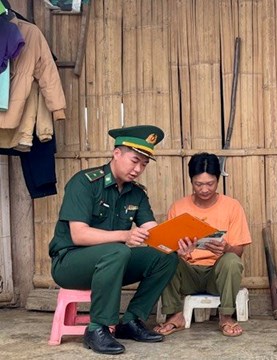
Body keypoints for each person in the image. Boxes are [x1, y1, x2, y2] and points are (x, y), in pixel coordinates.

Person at [49, 125, 191, 355]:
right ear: (117, 153)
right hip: (69, 263)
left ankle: (131, 321)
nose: (138, 169)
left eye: (143, 165)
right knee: (118, 250)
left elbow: (153, 232)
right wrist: (125, 236)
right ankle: (97, 328)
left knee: (165, 257)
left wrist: (178, 244)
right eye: (134, 160)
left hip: (112, 264)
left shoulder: (137, 193)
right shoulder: (84, 183)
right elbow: (79, 234)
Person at [154, 153, 252, 337]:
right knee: (164, 257)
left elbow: (238, 251)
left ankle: (226, 316)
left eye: (210, 183)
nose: (205, 189)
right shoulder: (178, 207)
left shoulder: (232, 206)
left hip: (216, 276)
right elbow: (166, 246)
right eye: (199, 184)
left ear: (218, 181)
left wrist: (226, 249)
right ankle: (175, 315)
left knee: (231, 260)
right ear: (191, 181)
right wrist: (179, 252)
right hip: (188, 274)